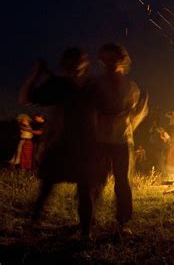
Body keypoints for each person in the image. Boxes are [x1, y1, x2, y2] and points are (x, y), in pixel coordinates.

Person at [19, 48, 100, 238]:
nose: (74, 65)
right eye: (70, 62)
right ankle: (32, 224)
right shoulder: (58, 85)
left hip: (87, 144)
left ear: (85, 63)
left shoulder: (92, 86)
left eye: (78, 61)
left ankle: (86, 233)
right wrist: (36, 73)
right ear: (64, 65)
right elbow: (25, 98)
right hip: (62, 143)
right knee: (47, 186)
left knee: (85, 190)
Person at [90, 43, 148, 232]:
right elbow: (92, 109)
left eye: (112, 59)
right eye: (105, 59)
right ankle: (88, 217)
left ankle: (123, 221)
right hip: (100, 140)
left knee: (123, 182)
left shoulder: (131, 87)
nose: (108, 63)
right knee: (97, 180)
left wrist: (139, 113)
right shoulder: (96, 84)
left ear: (122, 60)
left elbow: (131, 116)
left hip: (122, 140)